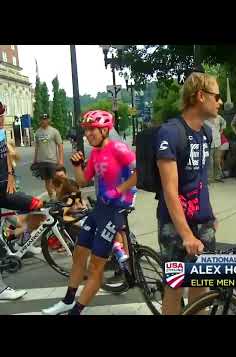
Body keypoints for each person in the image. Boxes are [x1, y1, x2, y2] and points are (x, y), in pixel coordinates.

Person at [42, 110, 137, 315]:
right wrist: (76, 165)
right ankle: (68, 300)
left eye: (92, 129)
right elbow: (83, 181)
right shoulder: (95, 153)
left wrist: (119, 190)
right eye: (86, 130)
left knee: (95, 267)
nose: (89, 134)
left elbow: (141, 172)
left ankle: (76, 310)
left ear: (105, 129)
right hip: (100, 208)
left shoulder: (118, 148)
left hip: (115, 209)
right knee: (78, 254)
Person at [156, 71, 221, 315]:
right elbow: (170, 191)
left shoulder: (206, 132)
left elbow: (201, 180)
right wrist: (186, 235)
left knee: (201, 283)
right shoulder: (170, 132)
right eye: (217, 95)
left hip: (202, 222)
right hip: (175, 226)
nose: (220, 101)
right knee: (174, 285)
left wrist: (210, 216)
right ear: (200, 96)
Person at [0, 101, 44, 300]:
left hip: (4, 186)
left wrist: (10, 173)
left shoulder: (1, 133)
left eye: (2, 114)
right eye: (0, 115)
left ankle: (21, 241)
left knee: (34, 207)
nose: (2, 118)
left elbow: (8, 155)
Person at [33, 114, 64, 200]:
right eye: (42, 119)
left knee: (55, 181)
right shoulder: (37, 132)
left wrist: (61, 160)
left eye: (46, 119)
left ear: (49, 120)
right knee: (47, 181)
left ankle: (59, 198)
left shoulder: (54, 131)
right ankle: (52, 199)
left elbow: (60, 145)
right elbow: (37, 147)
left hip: (52, 161)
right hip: (42, 161)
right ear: (40, 120)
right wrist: (35, 160)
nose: (44, 121)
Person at [205, 114, 227, 182]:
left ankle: (217, 176)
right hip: (209, 143)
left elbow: (224, 122)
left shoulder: (218, 117)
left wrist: (221, 130)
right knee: (209, 162)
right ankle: (209, 178)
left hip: (217, 142)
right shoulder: (204, 118)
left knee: (217, 161)